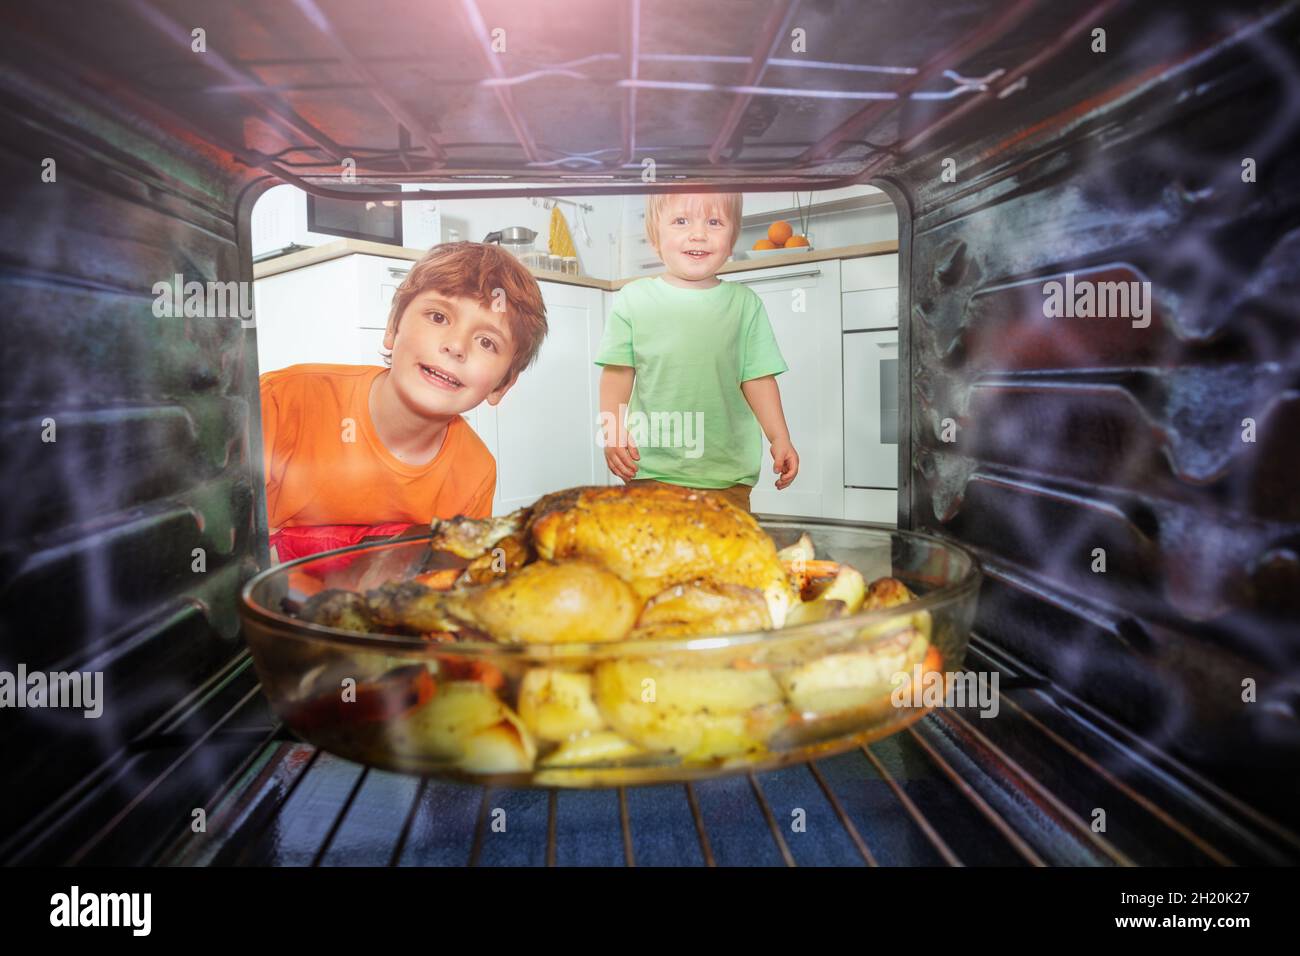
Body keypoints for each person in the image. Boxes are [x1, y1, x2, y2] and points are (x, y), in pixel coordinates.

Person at [260, 241, 548, 562]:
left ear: (502, 385)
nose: (456, 346)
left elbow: (455, 572)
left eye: (486, 342)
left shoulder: (476, 473)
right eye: (438, 317)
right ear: (392, 329)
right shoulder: (281, 402)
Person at [595, 192, 798, 513]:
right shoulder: (633, 299)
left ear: (732, 240)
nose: (698, 234)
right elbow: (617, 373)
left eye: (714, 222)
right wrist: (613, 432)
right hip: (650, 469)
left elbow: (758, 379)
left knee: (725, 545)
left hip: (727, 476)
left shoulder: (745, 304)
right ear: (655, 237)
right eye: (681, 221)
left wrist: (780, 437)